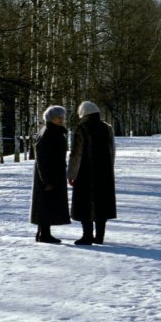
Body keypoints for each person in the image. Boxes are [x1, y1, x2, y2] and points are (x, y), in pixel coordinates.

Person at [67, 101, 116, 245]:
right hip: (104, 172)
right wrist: (109, 168)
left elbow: (76, 154)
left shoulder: (82, 129)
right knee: (102, 203)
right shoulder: (107, 128)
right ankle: (99, 236)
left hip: (85, 172)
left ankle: (87, 235)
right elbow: (112, 150)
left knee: (84, 204)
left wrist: (71, 174)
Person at [30, 105, 71, 243]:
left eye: (62, 117)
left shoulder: (53, 131)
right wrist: (46, 180)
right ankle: (44, 234)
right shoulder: (48, 132)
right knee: (46, 203)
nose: (61, 119)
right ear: (51, 118)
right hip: (49, 174)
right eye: (58, 117)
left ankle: (42, 232)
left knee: (47, 203)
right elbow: (41, 158)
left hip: (53, 173)